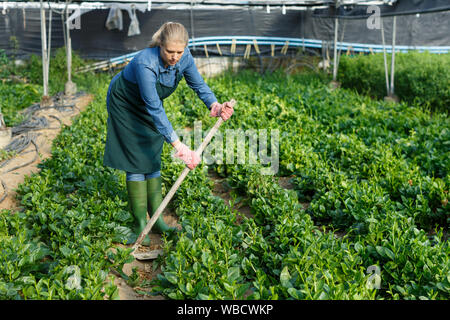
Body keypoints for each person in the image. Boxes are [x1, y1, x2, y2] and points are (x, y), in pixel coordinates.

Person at [103, 22, 234, 246]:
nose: (174, 57)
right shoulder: (146, 62)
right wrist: (180, 147)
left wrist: (214, 104)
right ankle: (139, 225)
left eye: (179, 52)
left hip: (148, 106)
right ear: (160, 45)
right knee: (136, 159)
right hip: (125, 104)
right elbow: (154, 107)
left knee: (152, 154)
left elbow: (198, 84)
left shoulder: (185, 57)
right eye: (169, 52)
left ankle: (157, 220)